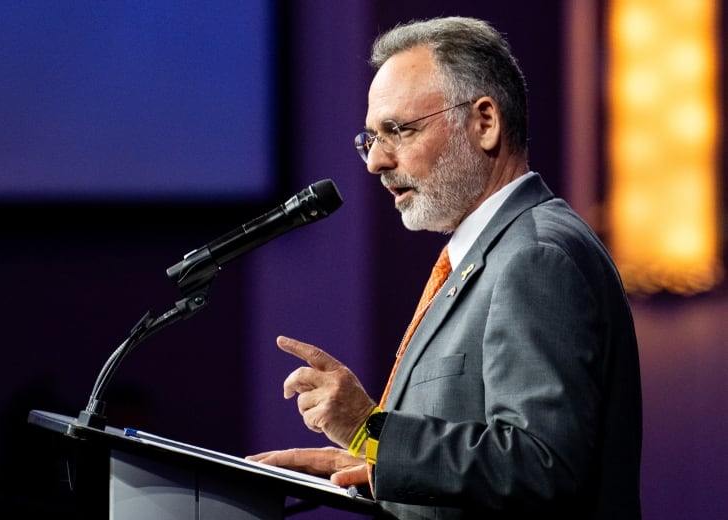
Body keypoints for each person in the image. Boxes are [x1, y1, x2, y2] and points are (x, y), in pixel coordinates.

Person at [248, 16, 642, 519]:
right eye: (370, 138)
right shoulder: (487, 255)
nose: (375, 162)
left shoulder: (535, 257)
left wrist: (373, 432)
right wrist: (374, 465)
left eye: (398, 130)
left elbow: (544, 466)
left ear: (484, 123)